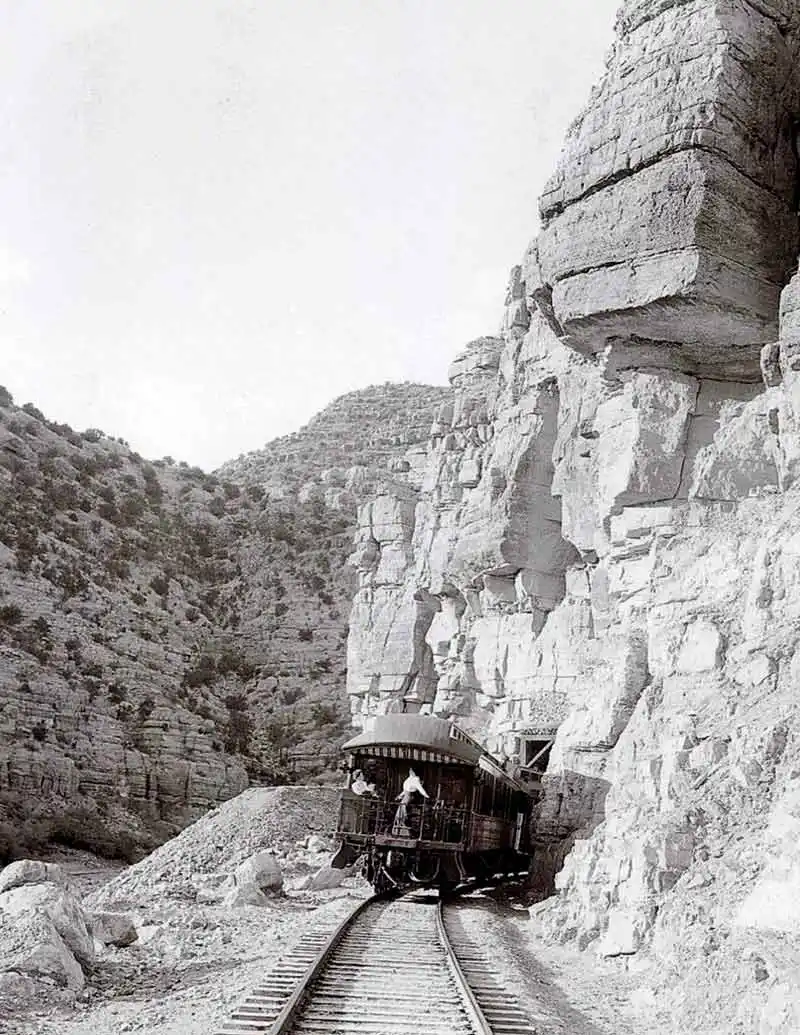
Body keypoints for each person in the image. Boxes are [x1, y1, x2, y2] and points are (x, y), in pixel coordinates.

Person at [392, 768, 429, 836]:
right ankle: (399, 828)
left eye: (411, 770)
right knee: (399, 811)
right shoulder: (410, 779)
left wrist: (426, 796)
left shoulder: (415, 779)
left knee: (402, 809)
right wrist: (399, 796)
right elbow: (406, 789)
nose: (410, 771)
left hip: (408, 796)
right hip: (406, 795)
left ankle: (403, 828)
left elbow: (420, 788)